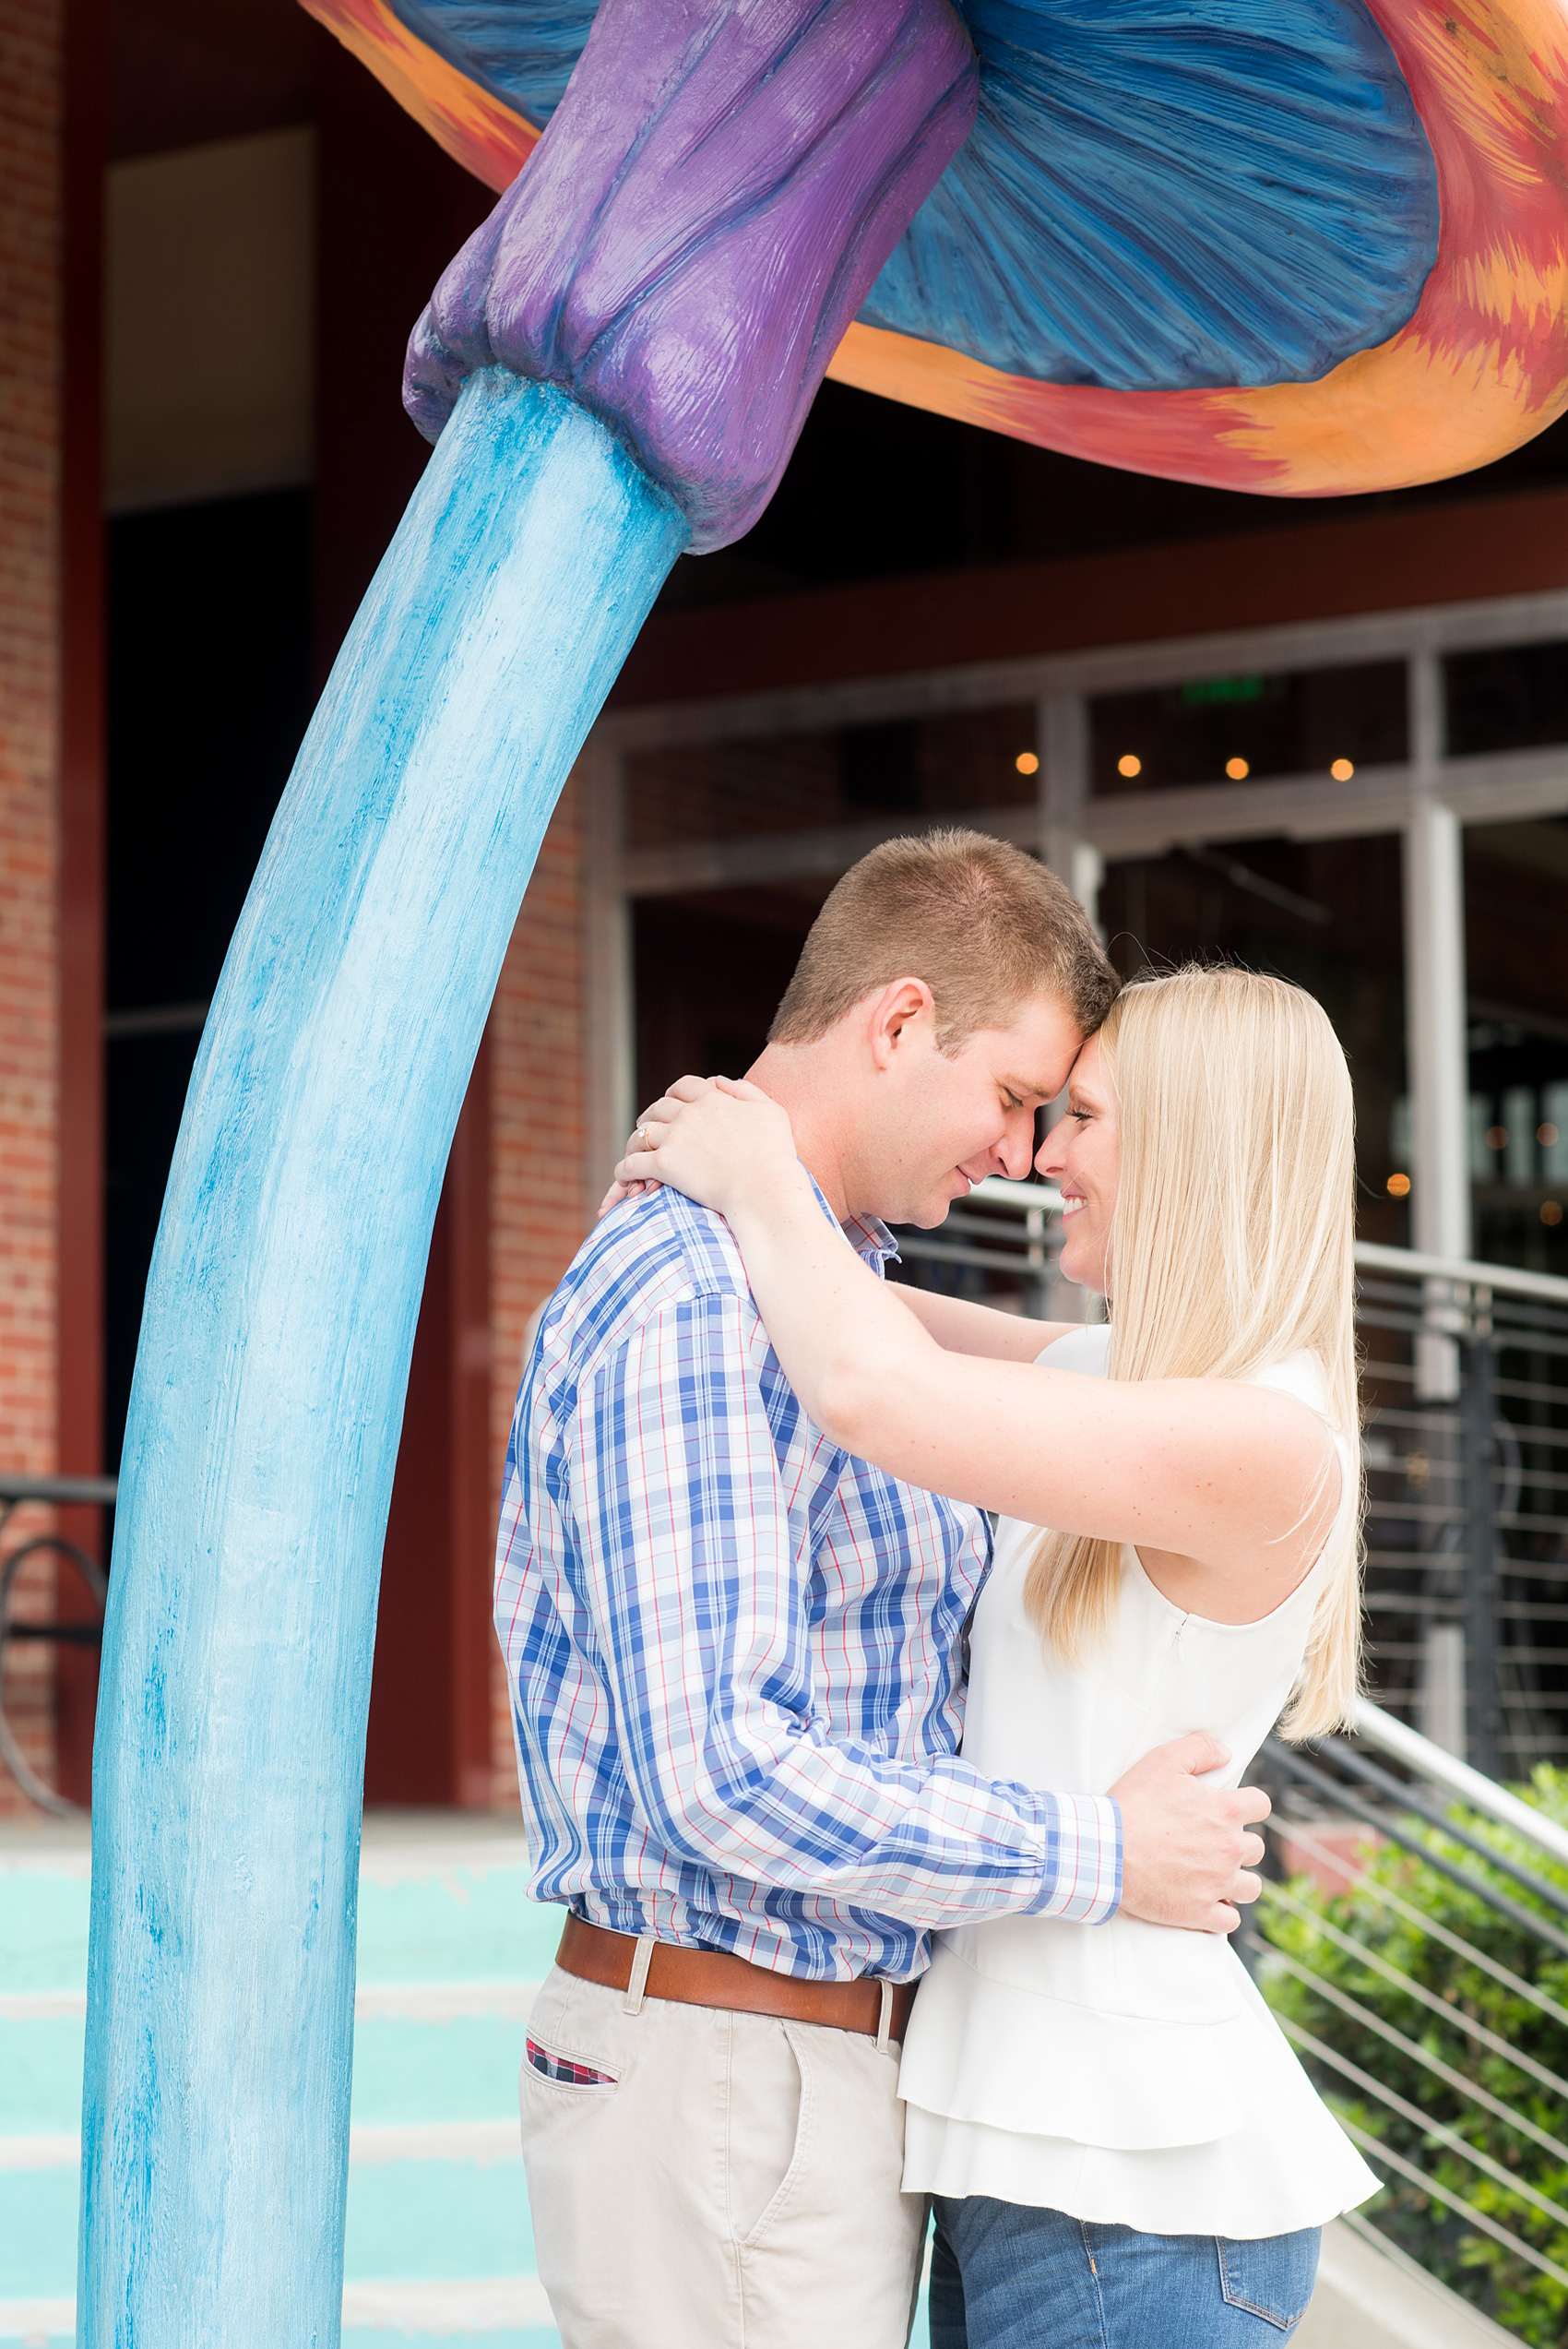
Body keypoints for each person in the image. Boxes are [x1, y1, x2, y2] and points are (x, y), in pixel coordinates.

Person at [496, 831, 1271, 2349]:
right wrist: (1102, 1850)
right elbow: (719, 1772)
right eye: (1011, 1093)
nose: (1022, 1149)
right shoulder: (692, 1299)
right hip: (731, 2067)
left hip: (808, 2084)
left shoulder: (817, 1285)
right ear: (899, 1019)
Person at [615, 962, 1379, 2347]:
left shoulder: (1267, 1439)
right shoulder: (1128, 1377)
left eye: (1082, 1114)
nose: (1045, 1155)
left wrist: (753, 1162)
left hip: (1132, 2189)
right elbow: (871, 1313)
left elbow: (870, 1389)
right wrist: (727, 1191)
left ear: (1194, 1139)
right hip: (1031, 2162)